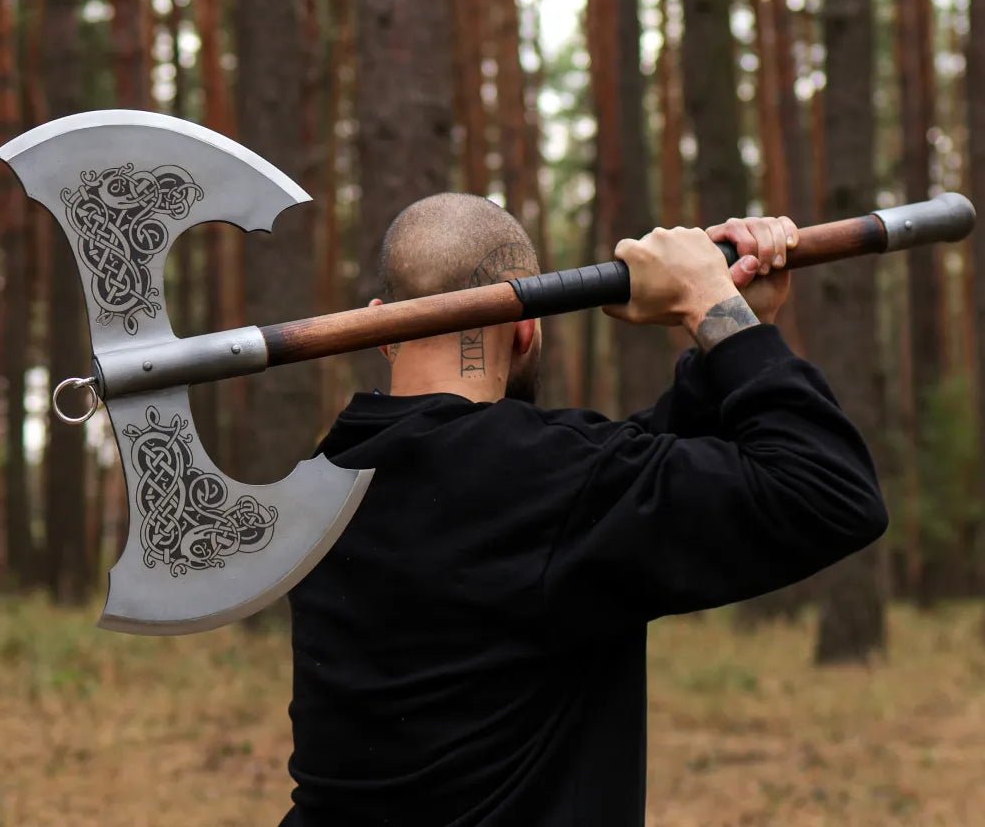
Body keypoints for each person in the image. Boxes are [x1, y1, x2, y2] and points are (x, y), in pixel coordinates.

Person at [280, 193, 887, 827]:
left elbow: (599, 491)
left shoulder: (331, 476)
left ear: (381, 327)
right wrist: (718, 315)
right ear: (526, 324)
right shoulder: (545, 483)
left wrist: (728, 328)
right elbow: (829, 490)